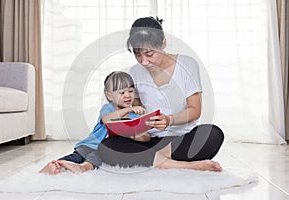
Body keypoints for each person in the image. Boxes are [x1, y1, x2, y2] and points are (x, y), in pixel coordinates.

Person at [98, 16, 224, 172]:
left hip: (180, 140)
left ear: (163, 43)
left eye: (149, 54)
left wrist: (169, 120)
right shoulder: (135, 72)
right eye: (138, 55)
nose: (144, 61)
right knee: (106, 147)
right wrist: (131, 124)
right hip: (149, 139)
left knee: (213, 134)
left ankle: (150, 159)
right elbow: (137, 109)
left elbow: (195, 110)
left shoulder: (187, 65)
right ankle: (187, 165)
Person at [39, 71, 146, 174]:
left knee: (94, 157)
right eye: (122, 92)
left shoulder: (134, 116)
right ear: (109, 96)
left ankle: (83, 168)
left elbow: (142, 135)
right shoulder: (108, 108)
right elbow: (106, 119)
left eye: (131, 91)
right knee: (76, 157)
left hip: (103, 149)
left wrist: (139, 133)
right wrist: (128, 109)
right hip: (89, 144)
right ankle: (56, 164)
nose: (127, 95)